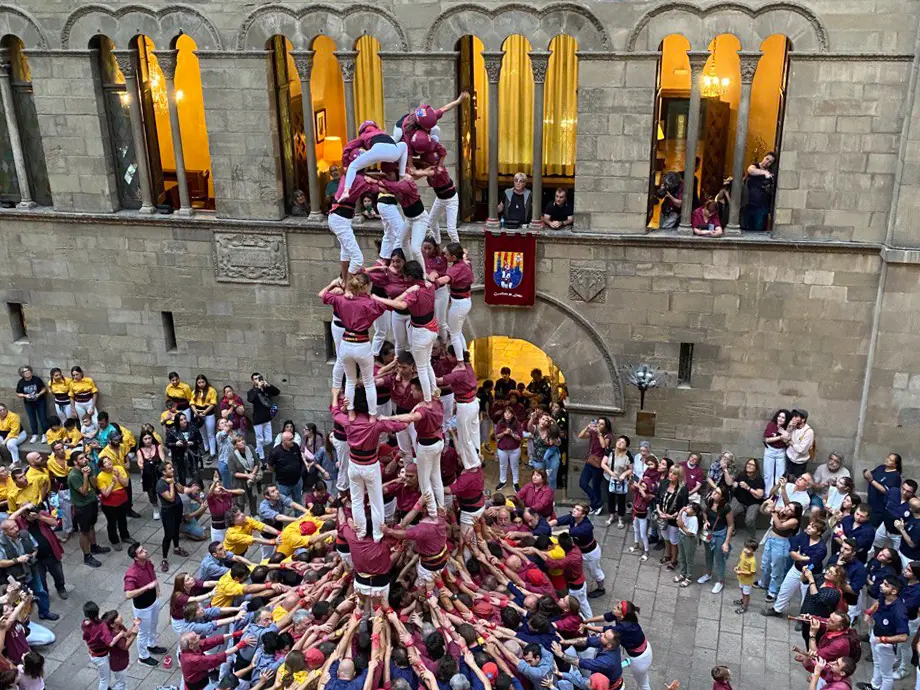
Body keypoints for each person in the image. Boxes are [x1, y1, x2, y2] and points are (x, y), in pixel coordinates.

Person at [762, 518, 827, 617]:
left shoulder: (821, 548)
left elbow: (811, 563)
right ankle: (777, 609)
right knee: (785, 589)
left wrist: (799, 556)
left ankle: (804, 618)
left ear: (819, 532)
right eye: (809, 525)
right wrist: (803, 557)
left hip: (810, 575)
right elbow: (792, 550)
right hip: (796, 569)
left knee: (806, 597)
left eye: (813, 527)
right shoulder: (804, 536)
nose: (808, 528)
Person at [0, 518, 58, 621]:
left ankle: (44, 612)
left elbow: (35, 547)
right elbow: (1, 563)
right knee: (19, 599)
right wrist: (17, 560)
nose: (16, 529)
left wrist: (31, 556)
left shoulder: (24, 534)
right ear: (5, 532)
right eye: (11, 529)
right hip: (15, 577)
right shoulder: (1, 543)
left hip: (31, 570)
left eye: (16, 526)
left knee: (40, 591)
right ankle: (23, 621)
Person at [124, 543, 167, 666]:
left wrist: (157, 588)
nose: (145, 551)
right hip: (142, 608)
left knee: (153, 625)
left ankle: (151, 645)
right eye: (141, 551)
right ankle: (143, 656)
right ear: (136, 558)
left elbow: (153, 575)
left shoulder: (148, 562)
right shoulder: (131, 573)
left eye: (143, 549)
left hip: (153, 600)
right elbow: (128, 594)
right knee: (143, 632)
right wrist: (147, 587)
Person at [553, 503, 606, 600]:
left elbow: (567, 532)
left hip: (590, 553)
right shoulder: (573, 518)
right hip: (579, 549)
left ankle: (601, 588)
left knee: (595, 572)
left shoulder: (586, 527)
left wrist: (550, 533)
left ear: (583, 514)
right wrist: (547, 525)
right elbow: (558, 521)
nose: (574, 510)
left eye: (577, 509)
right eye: (574, 508)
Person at [865, 575, 909, 690]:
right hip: (876, 634)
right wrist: (869, 612)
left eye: (885, 585)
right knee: (877, 663)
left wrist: (883, 640)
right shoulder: (884, 596)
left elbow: (904, 637)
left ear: (894, 591)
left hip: (886, 644)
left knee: (887, 674)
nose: (881, 586)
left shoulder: (899, 611)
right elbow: (878, 603)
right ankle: (874, 686)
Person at [757, 500, 804, 602]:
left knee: (777, 568)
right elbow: (764, 511)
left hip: (781, 543)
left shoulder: (794, 521)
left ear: (795, 513)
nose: (787, 509)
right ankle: (763, 582)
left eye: (790, 509)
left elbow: (780, 526)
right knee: (765, 564)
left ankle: (773, 591)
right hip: (770, 539)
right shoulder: (781, 510)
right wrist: (766, 503)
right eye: (787, 506)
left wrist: (774, 512)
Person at [67, 452, 108, 568]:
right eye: (81, 458)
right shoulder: (74, 475)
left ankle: (94, 547)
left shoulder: (87, 468)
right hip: (82, 506)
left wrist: (90, 475)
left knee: (91, 526)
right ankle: (87, 556)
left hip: (91, 502)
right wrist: (85, 476)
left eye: (85, 457)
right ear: (75, 462)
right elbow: (84, 492)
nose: (85, 460)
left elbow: (95, 485)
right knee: (84, 531)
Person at [697, 486, 735, 594]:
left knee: (719, 558)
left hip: (720, 535)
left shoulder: (726, 508)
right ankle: (708, 574)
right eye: (714, 491)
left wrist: (726, 542)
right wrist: (705, 521)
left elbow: (731, 525)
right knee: (708, 555)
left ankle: (720, 581)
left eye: (717, 493)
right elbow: (704, 512)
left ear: (722, 497)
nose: (714, 493)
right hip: (709, 533)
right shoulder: (709, 500)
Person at [157, 461, 191, 572]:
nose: (172, 470)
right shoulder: (161, 484)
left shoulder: (173, 479)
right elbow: (171, 498)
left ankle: (176, 548)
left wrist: (175, 482)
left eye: (172, 468)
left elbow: (182, 491)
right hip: (168, 511)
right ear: (163, 472)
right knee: (168, 534)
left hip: (177, 508)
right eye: (169, 468)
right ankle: (164, 559)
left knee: (176, 529)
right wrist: (171, 484)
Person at [96, 456, 135, 551]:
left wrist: (119, 476)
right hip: (110, 504)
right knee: (112, 522)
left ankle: (125, 536)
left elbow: (125, 484)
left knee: (122, 519)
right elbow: (105, 494)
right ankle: (114, 541)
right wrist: (113, 482)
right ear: (102, 467)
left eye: (109, 460)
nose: (108, 462)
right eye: (105, 462)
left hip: (122, 499)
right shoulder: (100, 477)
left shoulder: (119, 468)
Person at [578, 418, 611, 516]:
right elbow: (580, 436)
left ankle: (594, 505)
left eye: (601, 424)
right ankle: (598, 503)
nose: (599, 425)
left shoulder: (607, 435)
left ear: (605, 427)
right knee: (582, 483)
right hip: (589, 461)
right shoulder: (592, 433)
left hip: (598, 464)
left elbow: (603, 446)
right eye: (598, 423)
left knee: (596, 486)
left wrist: (599, 434)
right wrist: (587, 427)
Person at [727, 458, 766, 539]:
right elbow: (735, 485)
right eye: (748, 464)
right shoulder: (741, 475)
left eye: (752, 465)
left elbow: (760, 495)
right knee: (729, 512)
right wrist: (733, 483)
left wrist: (748, 488)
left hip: (753, 503)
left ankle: (751, 536)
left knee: (749, 519)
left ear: (756, 468)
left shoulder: (759, 479)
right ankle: (732, 529)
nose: (749, 466)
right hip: (739, 500)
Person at [247, 373, 279, 465]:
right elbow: (251, 399)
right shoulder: (252, 391)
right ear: (253, 381)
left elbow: (277, 392)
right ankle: (262, 457)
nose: (257, 380)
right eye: (255, 378)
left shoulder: (266, 389)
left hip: (267, 418)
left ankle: (255, 450)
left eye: (259, 378)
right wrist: (257, 388)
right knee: (259, 439)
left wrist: (268, 385)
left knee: (268, 440)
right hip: (257, 419)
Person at [865, 453, 903, 527]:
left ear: (895, 465)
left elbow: (885, 490)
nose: (887, 460)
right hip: (870, 502)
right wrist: (866, 473)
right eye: (888, 458)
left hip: (880, 506)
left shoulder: (895, 476)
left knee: (873, 526)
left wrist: (871, 481)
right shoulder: (881, 467)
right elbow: (871, 474)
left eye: (891, 460)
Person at [742, 151, 776, 231]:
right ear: (764, 157)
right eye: (767, 159)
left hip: (762, 207)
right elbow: (750, 170)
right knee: (747, 229)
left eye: (770, 162)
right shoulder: (755, 166)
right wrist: (764, 172)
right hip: (749, 204)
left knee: (758, 229)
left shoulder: (771, 172)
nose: (767, 162)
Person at [15, 367, 47, 444]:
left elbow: (44, 389)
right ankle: (34, 434)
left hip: (40, 401)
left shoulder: (36, 379)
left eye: (28, 370)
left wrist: (39, 394)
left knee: (42, 418)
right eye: (25, 371)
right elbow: (18, 393)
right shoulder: (21, 382)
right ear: (22, 374)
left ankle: (45, 434)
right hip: (29, 403)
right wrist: (25, 396)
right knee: (32, 419)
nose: (27, 372)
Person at [190, 374, 218, 459]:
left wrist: (205, 412)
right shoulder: (195, 391)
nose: (201, 384)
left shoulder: (211, 390)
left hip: (208, 413)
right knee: (202, 433)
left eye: (203, 382)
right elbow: (192, 403)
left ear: (206, 382)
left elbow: (213, 404)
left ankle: (212, 452)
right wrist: (196, 412)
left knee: (210, 433)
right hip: (198, 413)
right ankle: (206, 449)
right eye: (199, 382)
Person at [762, 409, 789, 490]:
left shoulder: (788, 428)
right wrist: (780, 437)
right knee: (768, 474)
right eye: (779, 416)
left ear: (786, 420)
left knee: (780, 475)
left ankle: (778, 495)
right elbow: (767, 440)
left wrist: (784, 433)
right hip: (770, 450)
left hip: (781, 452)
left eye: (783, 417)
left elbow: (788, 440)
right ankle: (767, 495)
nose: (780, 419)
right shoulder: (771, 425)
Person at [674, 501, 700, 587]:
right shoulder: (684, 514)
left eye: (690, 508)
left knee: (689, 559)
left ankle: (688, 577)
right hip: (681, 535)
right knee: (682, 556)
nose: (687, 508)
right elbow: (678, 522)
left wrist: (682, 527)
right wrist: (681, 513)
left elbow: (690, 533)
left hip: (688, 539)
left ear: (694, 512)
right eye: (688, 506)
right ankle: (682, 574)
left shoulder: (694, 519)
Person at [783, 409, 814, 479]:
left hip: (800, 462)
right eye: (793, 416)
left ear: (803, 419)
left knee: (798, 481)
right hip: (789, 457)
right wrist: (788, 428)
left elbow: (801, 450)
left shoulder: (808, 432)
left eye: (796, 416)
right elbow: (784, 439)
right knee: (787, 478)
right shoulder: (792, 426)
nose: (793, 418)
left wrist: (790, 442)